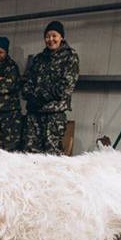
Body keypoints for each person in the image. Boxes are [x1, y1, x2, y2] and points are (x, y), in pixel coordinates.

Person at [22, 20, 79, 155]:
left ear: (61, 37)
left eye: (54, 36)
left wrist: (40, 96)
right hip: (34, 114)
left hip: (53, 116)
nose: (51, 39)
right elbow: (27, 84)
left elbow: (65, 88)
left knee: (51, 157)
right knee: (29, 155)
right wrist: (31, 96)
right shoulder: (38, 59)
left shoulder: (70, 57)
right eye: (47, 36)